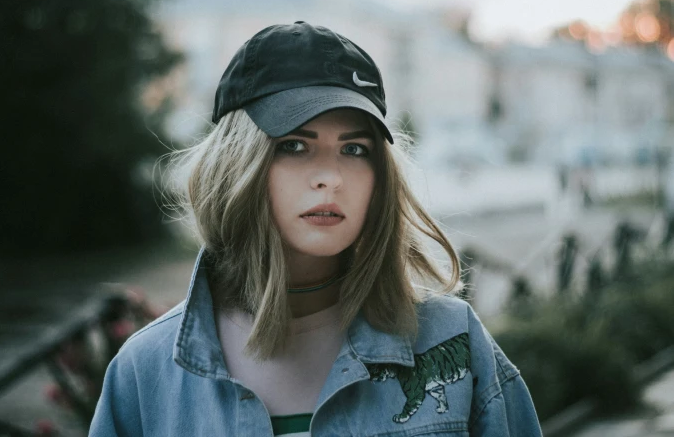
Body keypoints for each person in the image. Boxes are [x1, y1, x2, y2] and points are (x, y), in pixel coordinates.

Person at [89, 22, 542, 436]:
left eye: (355, 149)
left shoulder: (454, 341)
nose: (332, 177)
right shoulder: (144, 372)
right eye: (294, 145)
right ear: (237, 163)